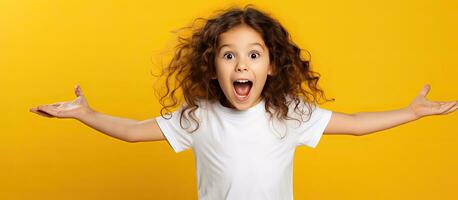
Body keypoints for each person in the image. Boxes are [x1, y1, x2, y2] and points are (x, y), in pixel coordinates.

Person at [29, 5, 457, 200]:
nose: (241, 64)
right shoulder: (197, 116)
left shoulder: (288, 112)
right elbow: (133, 132)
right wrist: (86, 114)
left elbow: (357, 122)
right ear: (212, 66)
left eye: (254, 54)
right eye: (228, 54)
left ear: (271, 66)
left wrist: (411, 112)